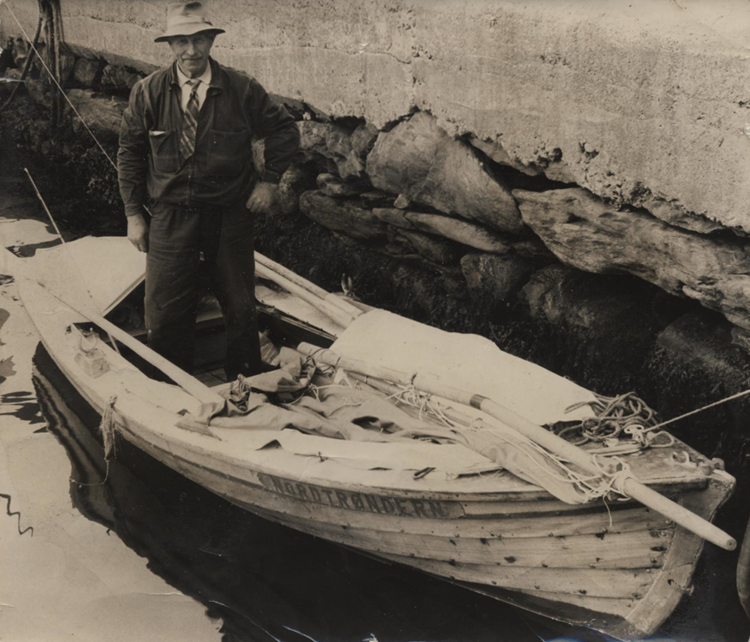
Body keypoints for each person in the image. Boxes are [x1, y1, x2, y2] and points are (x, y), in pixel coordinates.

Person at [117, 2, 299, 380]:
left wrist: (268, 182)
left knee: (240, 307)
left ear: (211, 41)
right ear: (170, 45)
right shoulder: (147, 92)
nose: (191, 51)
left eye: (199, 40)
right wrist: (134, 214)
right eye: (182, 42)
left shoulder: (241, 88)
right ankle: (171, 388)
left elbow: (284, 130)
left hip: (230, 213)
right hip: (170, 216)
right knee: (165, 310)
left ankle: (244, 384)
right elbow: (130, 153)